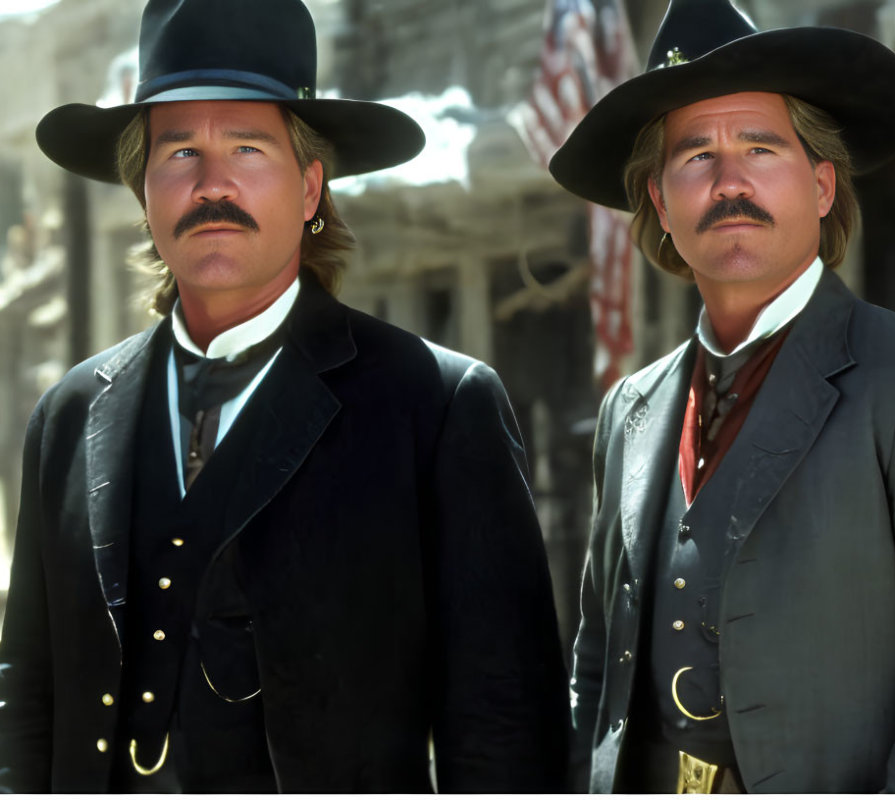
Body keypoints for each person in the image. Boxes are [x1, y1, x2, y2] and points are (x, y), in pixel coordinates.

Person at [0, 0, 569, 792]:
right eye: (179, 153)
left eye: (246, 146)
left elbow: (504, 732)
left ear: (310, 189)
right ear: (143, 192)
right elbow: (25, 702)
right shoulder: (67, 417)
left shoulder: (434, 408)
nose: (212, 183)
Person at [548, 0, 895, 792]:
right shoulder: (631, 410)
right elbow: (598, 659)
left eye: (760, 147)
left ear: (823, 185)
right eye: (696, 156)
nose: (729, 182)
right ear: (660, 201)